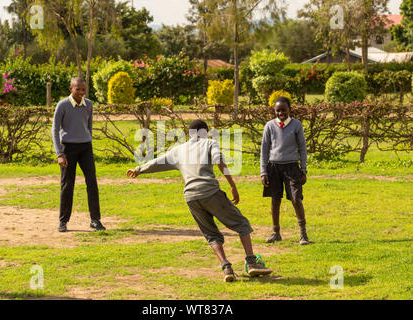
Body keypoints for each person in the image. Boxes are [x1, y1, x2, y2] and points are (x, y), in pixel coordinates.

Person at [127, 120, 273, 282]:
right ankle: (252, 263)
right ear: (205, 132)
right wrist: (232, 186)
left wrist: (138, 170)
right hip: (210, 191)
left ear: (189, 134)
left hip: (190, 197)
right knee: (242, 224)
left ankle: (226, 268)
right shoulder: (210, 143)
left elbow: (157, 162)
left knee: (211, 234)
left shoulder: (178, 150)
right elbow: (220, 162)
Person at [52, 77, 106, 233]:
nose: (81, 92)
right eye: (78, 89)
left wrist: (87, 142)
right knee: (67, 185)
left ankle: (95, 221)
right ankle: (63, 222)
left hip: (85, 148)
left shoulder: (89, 105)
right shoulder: (62, 105)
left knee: (92, 184)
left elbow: (88, 127)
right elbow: (55, 130)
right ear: (71, 89)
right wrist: (59, 153)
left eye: (83, 89)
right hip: (68, 149)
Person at [261, 97, 311, 245]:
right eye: (278, 110)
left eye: (283, 110)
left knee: (296, 199)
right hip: (274, 168)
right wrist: (263, 171)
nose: (281, 113)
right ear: (274, 111)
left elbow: (302, 147)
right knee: (275, 200)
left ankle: (303, 235)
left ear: (290, 110)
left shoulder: (296, 125)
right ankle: (276, 232)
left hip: (292, 167)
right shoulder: (269, 126)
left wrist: (303, 169)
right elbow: (264, 150)